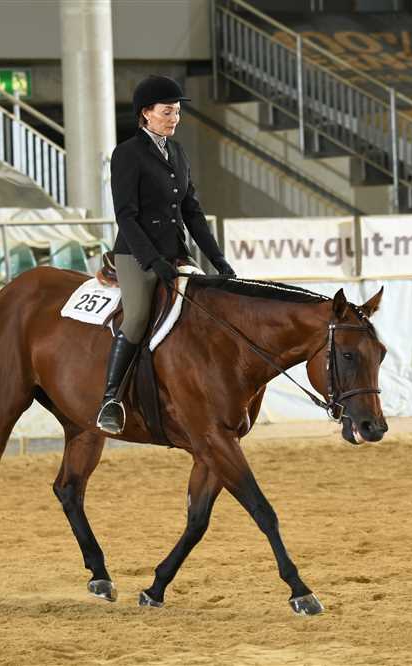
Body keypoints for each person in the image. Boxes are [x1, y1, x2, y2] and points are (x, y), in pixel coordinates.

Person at [96, 75, 236, 435]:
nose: (175, 118)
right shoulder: (127, 154)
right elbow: (126, 216)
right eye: (167, 112)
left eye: (176, 112)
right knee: (138, 317)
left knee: (207, 308)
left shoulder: (178, 152)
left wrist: (218, 260)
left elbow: (192, 213)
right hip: (136, 254)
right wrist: (153, 261)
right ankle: (111, 399)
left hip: (175, 253)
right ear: (146, 113)